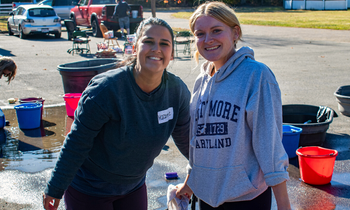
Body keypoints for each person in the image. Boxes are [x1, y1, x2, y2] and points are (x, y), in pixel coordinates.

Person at [43, 17, 191, 210]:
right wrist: (55, 187)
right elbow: (77, 142)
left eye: (164, 44)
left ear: (171, 54)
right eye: (148, 41)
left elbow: (186, 139)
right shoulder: (106, 89)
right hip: (89, 189)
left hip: (133, 186)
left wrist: (205, 172)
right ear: (135, 47)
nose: (156, 48)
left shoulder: (176, 91)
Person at [175, 2, 292, 210]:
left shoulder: (256, 75)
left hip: (246, 199)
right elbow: (198, 140)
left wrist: (284, 205)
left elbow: (269, 144)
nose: (208, 39)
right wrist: (190, 181)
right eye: (200, 33)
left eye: (216, 30)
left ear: (235, 32)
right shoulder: (201, 82)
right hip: (206, 197)